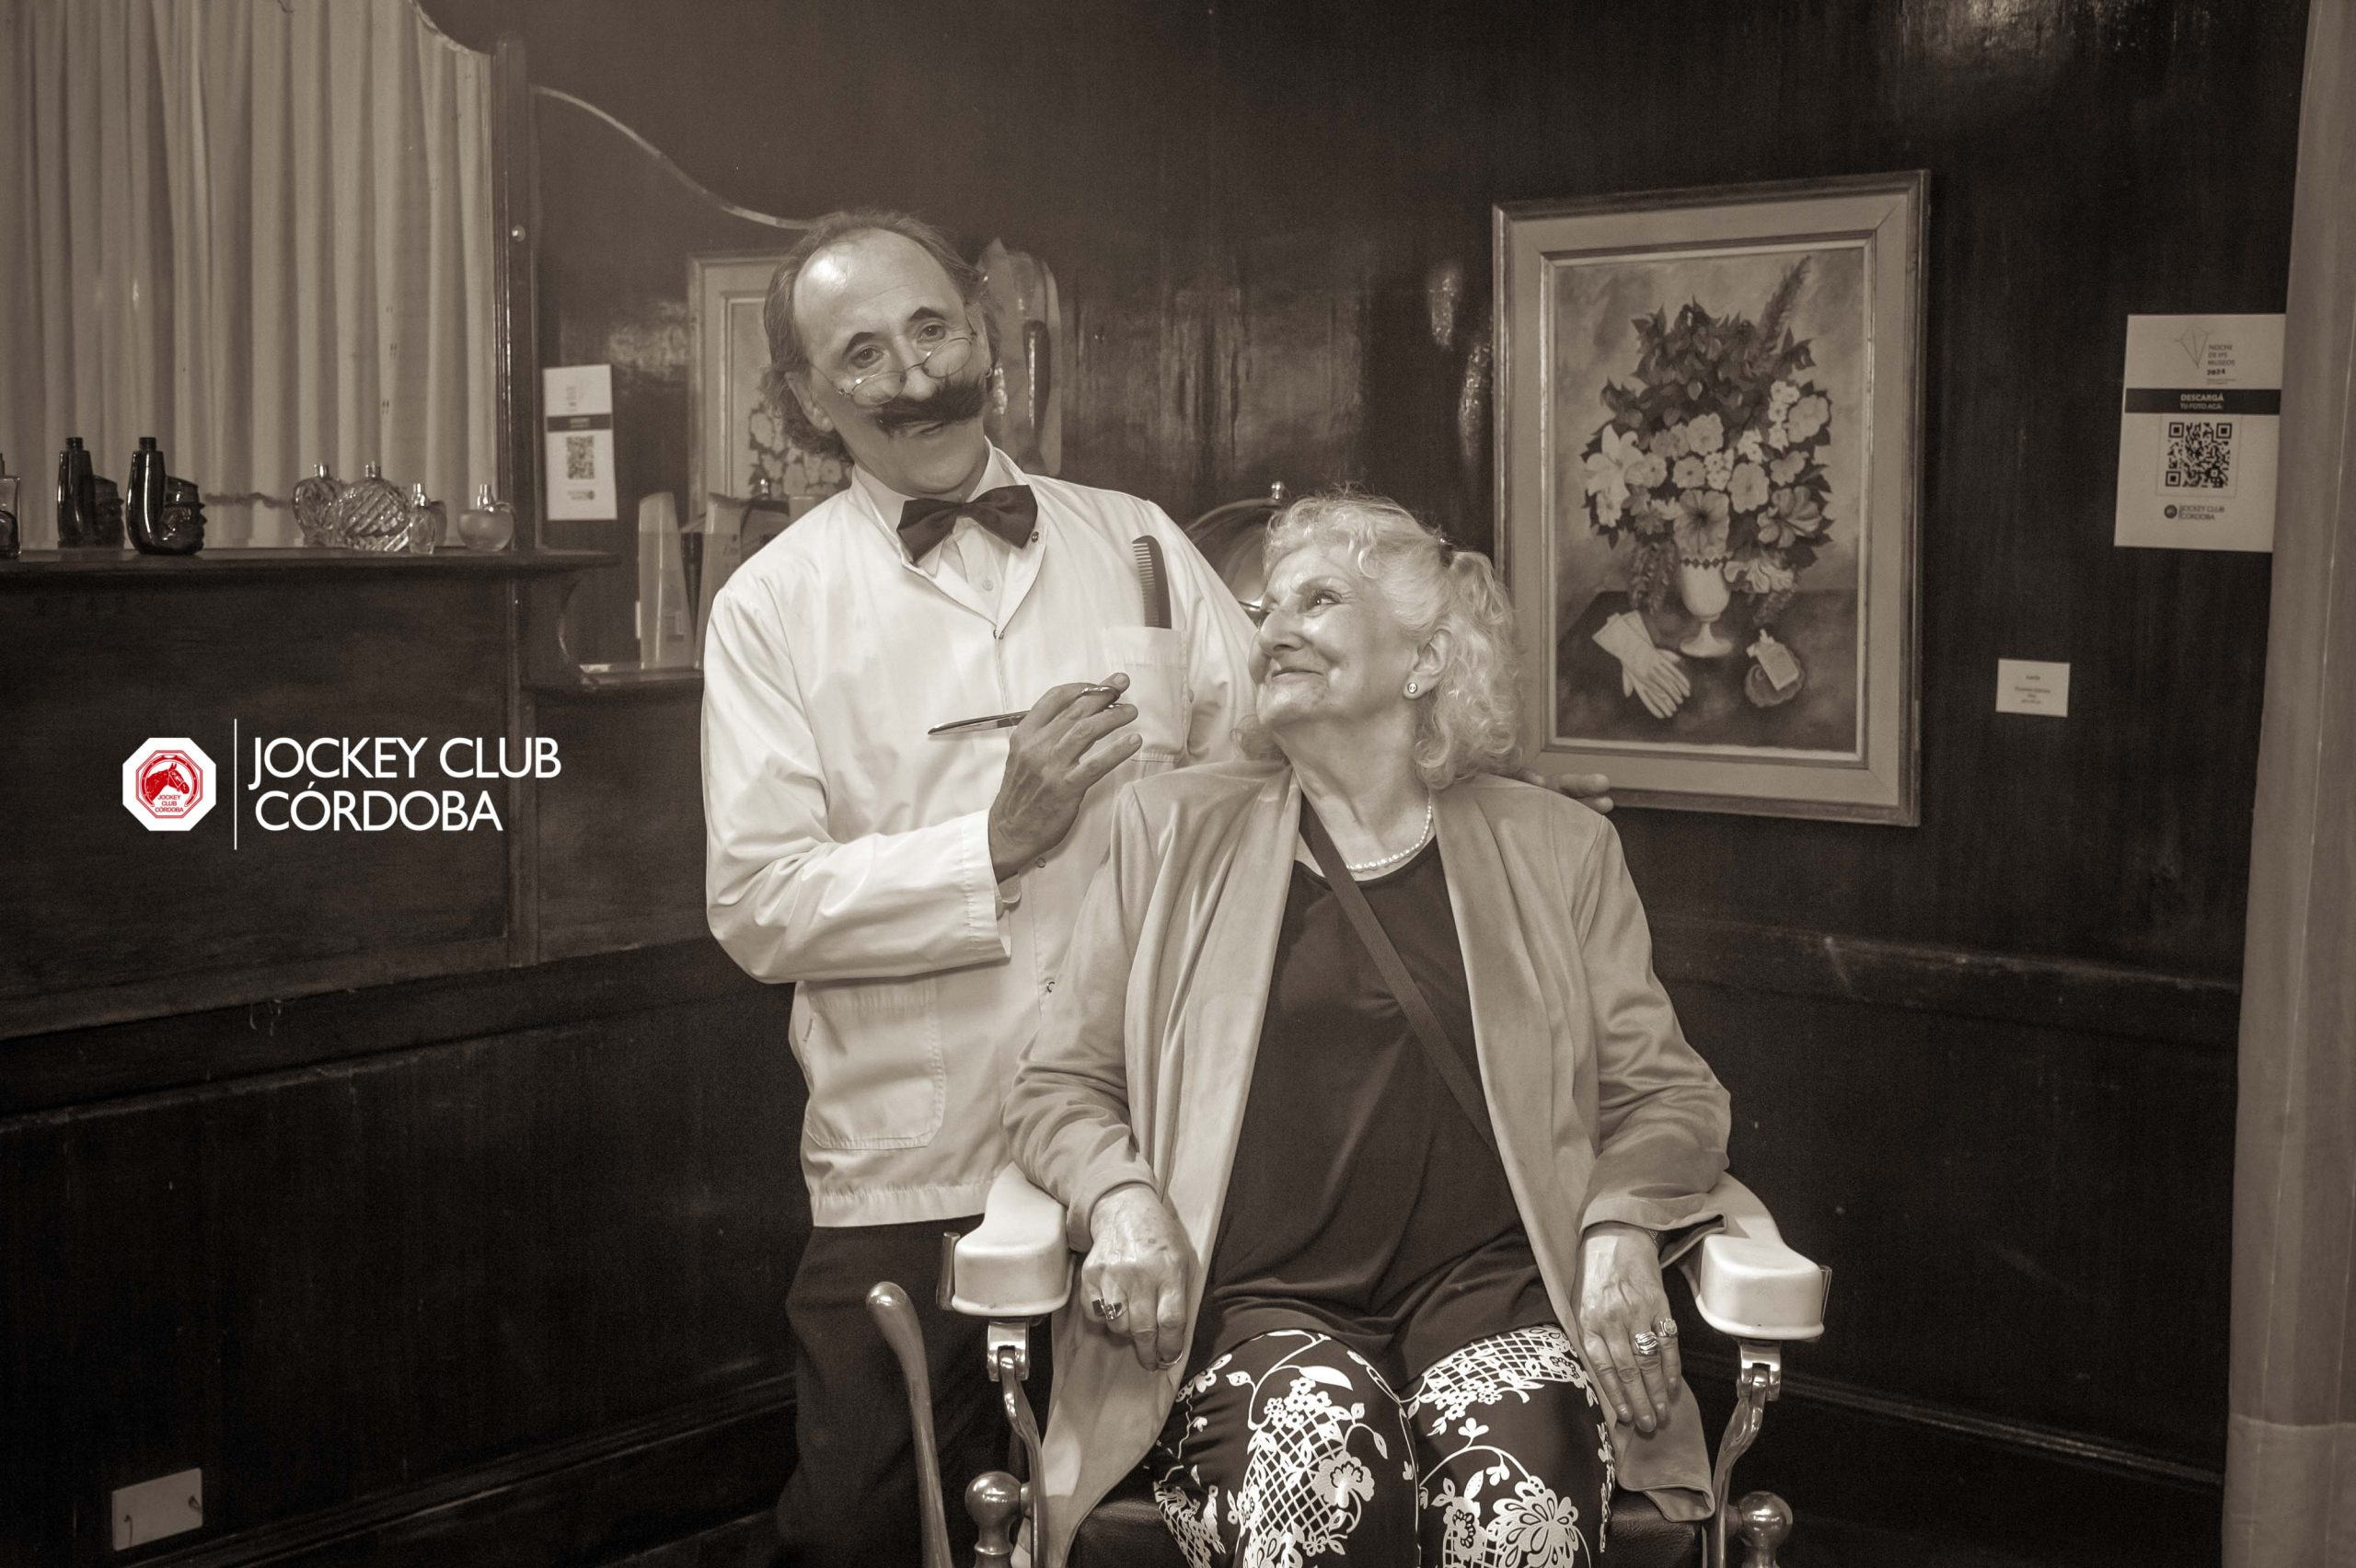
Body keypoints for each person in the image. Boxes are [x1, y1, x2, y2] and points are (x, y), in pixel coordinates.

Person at [1005, 493, 1730, 1568]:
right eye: (1267, 608)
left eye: (1320, 600)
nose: (1274, 629)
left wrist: (1620, 1230)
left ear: (1425, 660)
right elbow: (1057, 1085)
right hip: (1254, 1307)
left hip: (1494, 1297)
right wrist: (1119, 1198)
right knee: (1318, 1474)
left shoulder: (1559, 848)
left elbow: (1668, 1097)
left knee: (1517, 1515)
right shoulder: (1167, 831)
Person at [700, 210, 1265, 1567]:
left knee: (1152, 1528)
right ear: (808, 400)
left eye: (932, 329)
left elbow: (1270, 780)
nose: (913, 374)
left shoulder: (1138, 545)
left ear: (987, 340)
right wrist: (993, 843)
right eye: (863, 353)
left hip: (1156, 1137)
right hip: (919, 1158)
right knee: (864, 1530)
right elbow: (758, 902)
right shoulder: (771, 607)